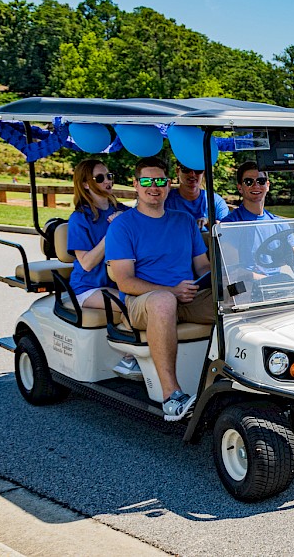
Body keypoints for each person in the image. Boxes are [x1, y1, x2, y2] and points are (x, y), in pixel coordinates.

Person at [106, 156, 214, 421]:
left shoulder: (185, 221)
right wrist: (172, 291)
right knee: (164, 300)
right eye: (146, 181)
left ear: (168, 184)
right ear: (135, 184)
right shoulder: (123, 225)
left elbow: (202, 267)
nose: (154, 187)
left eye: (160, 181)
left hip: (186, 297)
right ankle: (171, 396)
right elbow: (124, 281)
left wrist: (227, 280)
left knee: (239, 295)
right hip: (141, 303)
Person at [64, 160, 139, 378]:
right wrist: (114, 231)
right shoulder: (80, 219)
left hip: (118, 281)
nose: (108, 181)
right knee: (132, 302)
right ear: (86, 184)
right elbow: (86, 263)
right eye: (100, 178)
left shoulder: (122, 211)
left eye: (109, 176)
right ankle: (129, 357)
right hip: (88, 287)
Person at [222, 161, 294, 279]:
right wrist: (269, 281)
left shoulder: (279, 223)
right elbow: (234, 271)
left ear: (268, 185)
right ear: (240, 187)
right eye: (249, 182)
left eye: (261, 181)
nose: (256, 186)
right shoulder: (230, 225)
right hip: (248, 287)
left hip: (275, 285)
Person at [164, 161, 229, 230]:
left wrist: (209, 222)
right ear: (177, 171)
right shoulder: (165, 201)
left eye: (198, 170)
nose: (192, 174)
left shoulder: (216, 201)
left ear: (203, 172)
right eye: (186, 169)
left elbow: (228, 229)